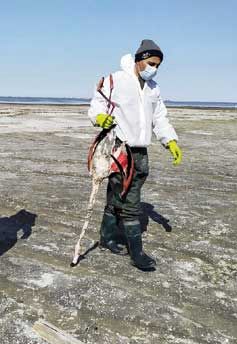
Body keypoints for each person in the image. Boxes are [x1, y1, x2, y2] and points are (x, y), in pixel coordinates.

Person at [88, 39, 182, 270]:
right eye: (151, 63)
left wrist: (169, 140)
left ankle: (107, 238)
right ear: (140, 59)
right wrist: (99, 118)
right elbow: (97, 104)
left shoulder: (153, 88)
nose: (154, 68)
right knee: (130, 204)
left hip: (141, 151)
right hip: (121, 151)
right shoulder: (115, 80)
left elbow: (159, 117)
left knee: (117, 197)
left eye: (158, 65)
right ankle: (136, 252)